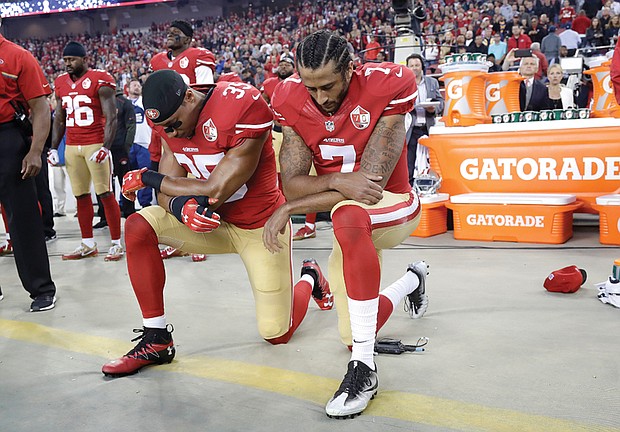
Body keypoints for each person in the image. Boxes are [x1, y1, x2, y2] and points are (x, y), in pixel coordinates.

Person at [101, 69, 333, 377]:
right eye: (163, 128)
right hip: (211, 224)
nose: (171, 134)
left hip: (259, 228)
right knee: (139, 226)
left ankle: (309, 278)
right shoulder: (169, 124)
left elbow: (215, 188)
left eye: (174, 125)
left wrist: (147, 176)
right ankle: (156, 338)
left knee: (277, 332)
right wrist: (182, 208)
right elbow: (165, 193)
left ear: (189, 97)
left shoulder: (240, 105)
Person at [264, 30, 429, 419]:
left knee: (350, 212)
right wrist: (336, 179)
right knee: (349, 332)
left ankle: (365, 368)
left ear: (351, 69)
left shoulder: (386, 84)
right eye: (311, 87)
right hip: (347, 217)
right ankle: (413, 280)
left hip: (394, 203)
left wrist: (295, 205)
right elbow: (292, 185)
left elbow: (368, 187)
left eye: (328, 85)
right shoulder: (288, 97)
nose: (320, 97)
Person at [0, 19, 58, 311]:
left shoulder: (17, 56)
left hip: (8, 140)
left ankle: (41, 289)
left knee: (22, 219)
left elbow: (40, 108)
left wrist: (35, 151)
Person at [49, 41, 124, 261]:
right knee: (80, 195)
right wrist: (53, 147)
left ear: (84, 59)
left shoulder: (100, 79)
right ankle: (87, 243)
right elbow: (59, 119)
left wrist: (105, 147)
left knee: (105, 193)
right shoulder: (61, 82)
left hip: (94, 143)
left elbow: (112, 117)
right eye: (65, 60)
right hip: (72, 146)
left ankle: (116, 243)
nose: (68, 64)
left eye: (72, 59)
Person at [150, 20, 215, 261]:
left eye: (176, 33)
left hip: (192, 126)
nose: (169, 35)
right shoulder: (157, 61)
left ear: (188, 39)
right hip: (167, 128)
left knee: (198, 180)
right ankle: (180, 240)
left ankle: (200, 241)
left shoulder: (198, 56)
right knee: (172, 182)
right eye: (168, 32)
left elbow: (207, 90)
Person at [261, 54, 318, 241]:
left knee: (307, 179)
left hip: (302, 134)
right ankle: (283, 219)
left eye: (288, 63)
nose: (284, 66)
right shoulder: (269, 83)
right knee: (278, 179)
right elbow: (261, 103)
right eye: (282, 63)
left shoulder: (302, 83)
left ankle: (310, 225)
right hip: (277, 132)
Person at [94, 86, 136, 228]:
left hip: (119, 149)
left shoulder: (124, 102)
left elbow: (131, 125)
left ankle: (130, 213)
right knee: (103, 183)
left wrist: (126, 147)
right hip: (103, 147)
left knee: (124, 182)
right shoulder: (97, 102)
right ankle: (104, 217)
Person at [404, 53, 444, 184]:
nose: (414, 68)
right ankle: (410, 189)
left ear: (422, 66)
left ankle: (432, 186)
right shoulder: (404, 85)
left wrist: (434, 109)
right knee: (409, 162)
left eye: (417, 65)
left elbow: (441, 102)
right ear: (407, 68)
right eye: (411, 66)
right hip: (411, 128)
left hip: (428, 128)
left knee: (431, 160)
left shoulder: (432, 82)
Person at [127, 79, 153, 209]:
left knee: (145, 175)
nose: (137, 87)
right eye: (134, 85)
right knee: (126, 175)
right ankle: (126, 204)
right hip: (129, 144)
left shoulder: (145, 101)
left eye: (138, 85)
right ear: (128, 88)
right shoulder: (124, 103)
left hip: (144, 143)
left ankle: (145, 204)